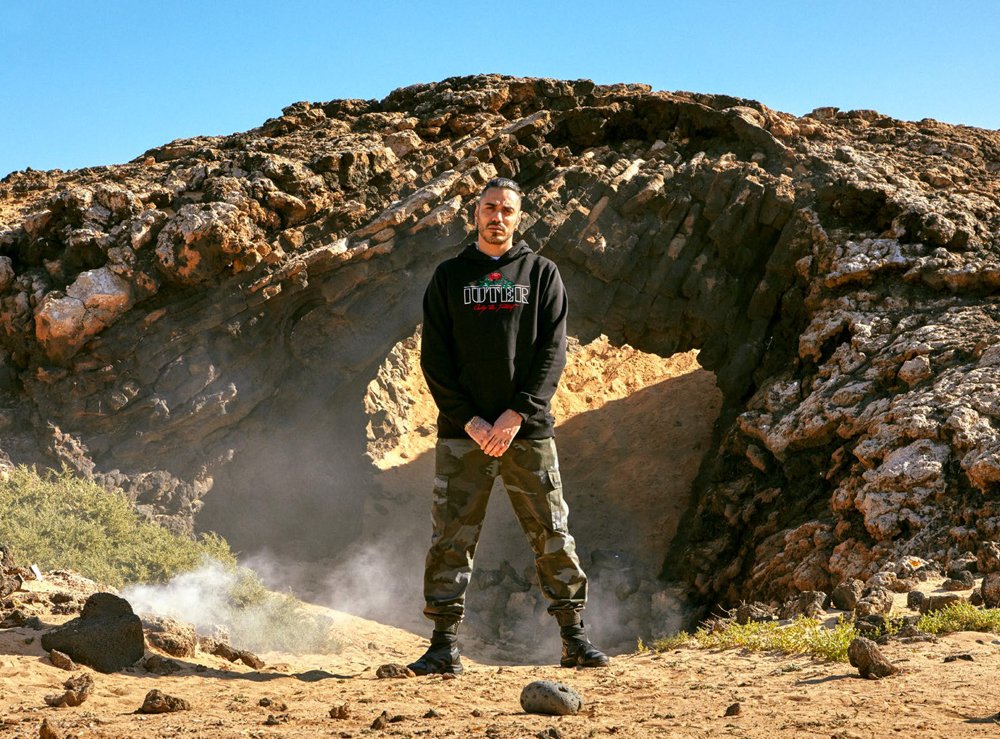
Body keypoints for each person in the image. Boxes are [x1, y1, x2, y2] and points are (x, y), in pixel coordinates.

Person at [408, 177, 608, 675]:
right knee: (451, 538)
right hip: (463, 435)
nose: (497, 216)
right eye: (489, 208)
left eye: (506, 210)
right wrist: (471, 420)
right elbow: (435, 359)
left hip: (528, 431)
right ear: (475, 214)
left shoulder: (541, 273)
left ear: (519, 218)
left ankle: (574, 640)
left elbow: (552, 353)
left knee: (552, 533)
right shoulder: (449, 277)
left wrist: (516, 413)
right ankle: (443, 647)